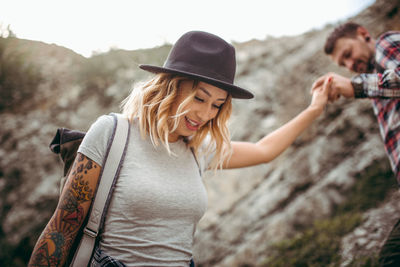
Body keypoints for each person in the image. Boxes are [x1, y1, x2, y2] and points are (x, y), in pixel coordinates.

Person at [28, 30, 330, 267]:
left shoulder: (199, 150)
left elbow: (265, 150)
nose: (206, 114)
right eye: (199, 98)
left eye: (217, 104)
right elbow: (61, 229)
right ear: (170, 86)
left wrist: (315, 109)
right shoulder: (112, 132)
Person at [312, 22, 400, 266]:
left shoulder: (386, 43)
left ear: (364, 35)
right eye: (343, 64)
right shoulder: (378, 83)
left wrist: (357, 86)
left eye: (348, 54)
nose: (350, 66)